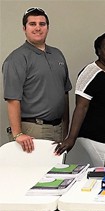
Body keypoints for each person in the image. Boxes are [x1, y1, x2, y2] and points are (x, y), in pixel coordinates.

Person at [2, 7, 72, 153]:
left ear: (47, 27)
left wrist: (66, 127)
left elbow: (64, 93)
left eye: (42, 24)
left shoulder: (57, 55)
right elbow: (13, 99)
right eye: (32, 24)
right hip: (33, 130)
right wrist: (18, 134)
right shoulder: (17, 59)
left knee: (55, 174)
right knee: (34, 173)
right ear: (24, 28)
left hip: (58, 128)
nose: (38, 28)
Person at [54, 32, 105, 167]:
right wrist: (71, 138)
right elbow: (81, 107)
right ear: (98, 51)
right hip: (96, 136)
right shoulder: (90, 72)